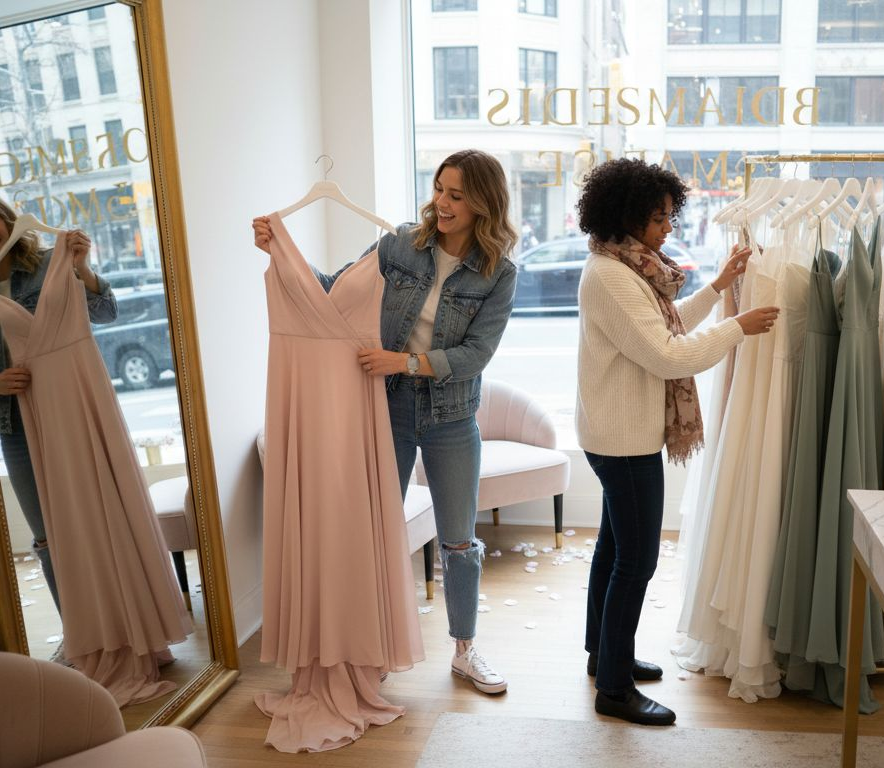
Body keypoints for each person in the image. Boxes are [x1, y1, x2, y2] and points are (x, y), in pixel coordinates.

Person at [253, 149, 517, 694]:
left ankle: (465, 651)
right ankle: (366, 649)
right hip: (386, 409)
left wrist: (407, 362)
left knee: (459, 542)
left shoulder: (499, 273)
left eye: (456, 195)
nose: (441, 203)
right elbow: (336, 289)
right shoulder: (399, 245)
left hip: (450, 416)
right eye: (440, 189)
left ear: (483, 205)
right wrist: (283, 255)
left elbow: (476, 353)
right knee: (371, 531)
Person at [574, 158, 779, 725]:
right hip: (622, 438)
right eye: (660, 218)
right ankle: (613, 690)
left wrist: (717, 289)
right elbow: (667, 354)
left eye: (669, 216)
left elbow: (665, 328)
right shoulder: (613, 277)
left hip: (615, 431)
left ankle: (603, 655)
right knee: (635, 561)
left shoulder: (627, 268)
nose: (669, 228)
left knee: (615, 549)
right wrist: (739, 326)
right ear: (628, 215)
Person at [0, 187, 116, 618]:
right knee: (47, 535)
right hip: (16, 424)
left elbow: (105, 313)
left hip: (75, 411)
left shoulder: (50, 262)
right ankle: (79, 632)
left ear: (7, 217)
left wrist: (82, 268)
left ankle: (119, 624)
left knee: (97, 519)